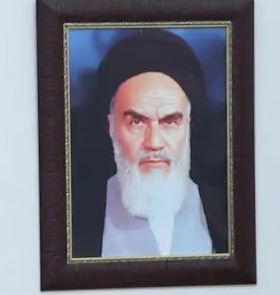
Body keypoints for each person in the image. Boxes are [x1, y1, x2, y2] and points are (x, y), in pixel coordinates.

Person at [74, 28, 229, 259]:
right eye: (137, 122)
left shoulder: (229, 214)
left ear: (189, 125)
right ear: (111, 125)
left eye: (170, 122)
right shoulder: (73, 219)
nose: (154, 142)